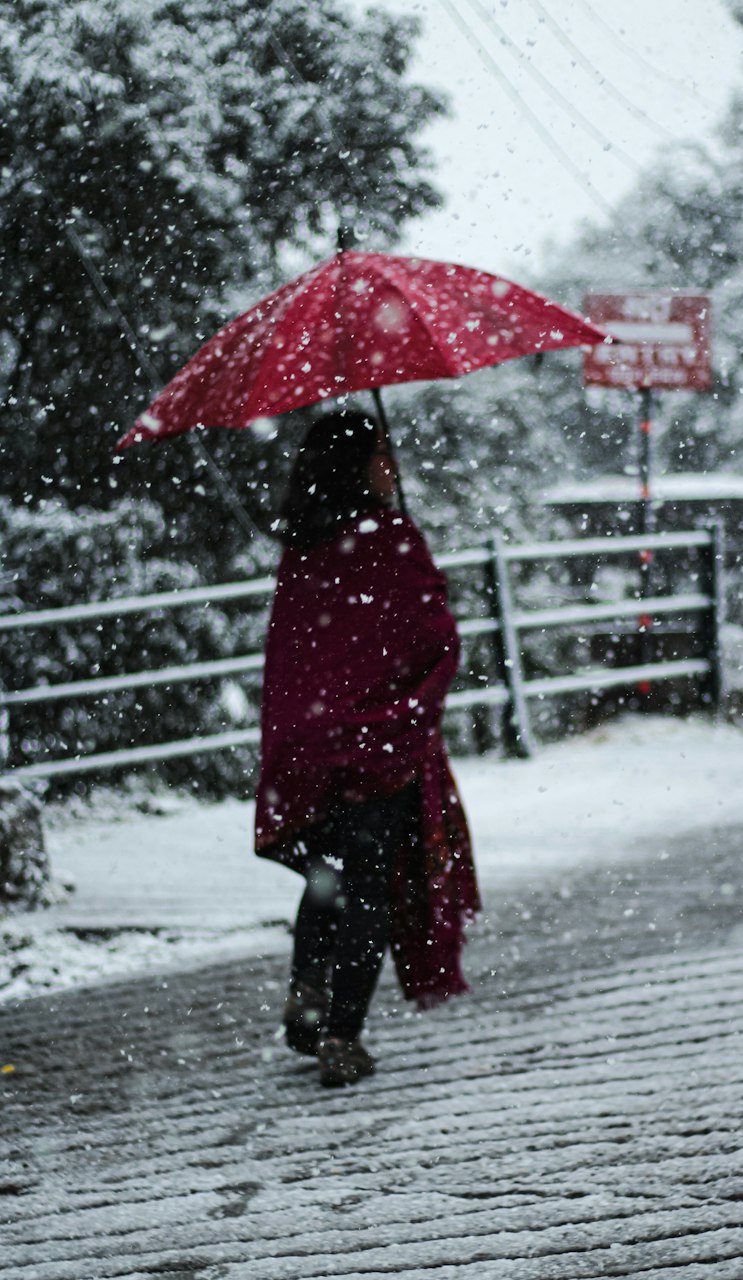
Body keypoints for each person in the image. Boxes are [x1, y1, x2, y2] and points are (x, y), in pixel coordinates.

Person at [255, 409, 479, 1088]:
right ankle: (343, 1035)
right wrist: (428, 588)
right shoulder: (389, 539)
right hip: (377, 742)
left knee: (329, 874)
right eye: (380, 452)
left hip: (312, 745)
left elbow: (299, 656)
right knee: (369, 888)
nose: (389, 463)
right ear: (359, 466)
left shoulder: (305, 547)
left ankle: (308, 992)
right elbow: (429, 641)